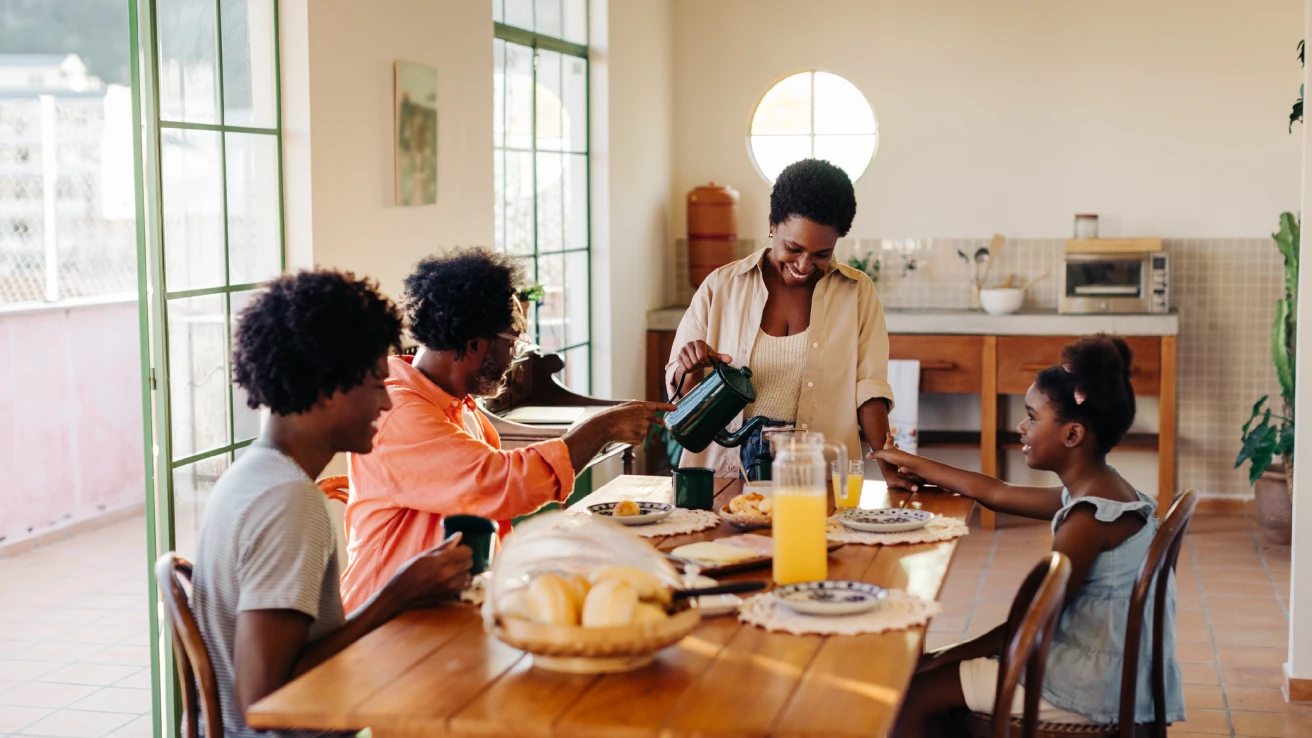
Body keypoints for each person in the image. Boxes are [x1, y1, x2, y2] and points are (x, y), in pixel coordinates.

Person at [192, 271, 473, 738]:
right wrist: (395, 595)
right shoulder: (289, 503)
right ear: (327, 389)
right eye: (376, 385)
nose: (386, 404)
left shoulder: (248, 476)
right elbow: (262, 701)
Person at [874, 335, 1185, 736]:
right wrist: (914, 462)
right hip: (1112, 668)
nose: (1021, 427)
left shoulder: (1087, 521)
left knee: (913, 693)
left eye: (1032, 417)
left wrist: (945, 657)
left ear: (1072, 435)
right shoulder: (1107, 491)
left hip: (1089, 686)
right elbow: (997, 493)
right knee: (933, 677)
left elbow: (1028, 627)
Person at [342, 248, 673, 612]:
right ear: (474, 344)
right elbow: (497, 482)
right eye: (512, 344)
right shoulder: (399, 413)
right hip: (386, 627)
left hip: (448, 608)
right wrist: (599, 428)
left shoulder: (457, 404)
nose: (513, 358)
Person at [666, 158, 907, 486]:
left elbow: (869, 389)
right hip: (722, 468)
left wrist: (888, 465)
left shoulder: (857, 293)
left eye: (821, 254)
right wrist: (691, 364)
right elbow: (679, 392)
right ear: (772, 225)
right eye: (793, 248)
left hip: (815, 467)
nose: (805, 265)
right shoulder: (721, 286)